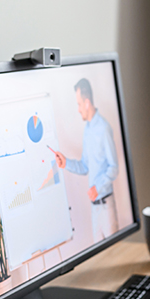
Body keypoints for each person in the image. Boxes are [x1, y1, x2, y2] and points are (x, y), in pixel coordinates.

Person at [52, 78, 119, 241]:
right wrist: (66, 162)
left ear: (87, 102)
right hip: (95, 209)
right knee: (99, 258)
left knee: (113, 254)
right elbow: (84, 166)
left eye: (79, 104)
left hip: (106, 206)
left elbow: (114, 167)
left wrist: (98, 187)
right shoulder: (87, 130)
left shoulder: (103, 129)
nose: (78, 109)